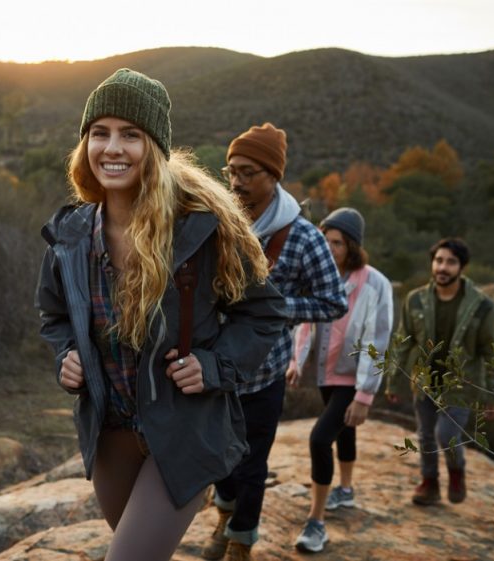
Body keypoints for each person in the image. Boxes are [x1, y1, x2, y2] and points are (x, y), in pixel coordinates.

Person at [34, 68, 288, 561]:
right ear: (84, 144)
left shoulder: (200, 231)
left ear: (155, 147)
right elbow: (54, 316)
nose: (113, 148)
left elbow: (264, 314)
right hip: (110, 431)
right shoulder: (70, 238)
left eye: (131, 134)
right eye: (99, 133)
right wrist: (66, 354)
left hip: (185, 433)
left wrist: (214, 367)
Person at [202, 123, 347, 561]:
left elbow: (333, 302)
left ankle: (241, 541)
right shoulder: (217, 221)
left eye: (247, 173)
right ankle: (224, 518)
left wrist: (275, 307)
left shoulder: (303, 237)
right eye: (231, 172)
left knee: (251, 462)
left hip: (264, 374)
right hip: (211, 369)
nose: (236, 183)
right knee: (213, 458)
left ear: (274, 175)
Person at [284, 207, 393, 553]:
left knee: (319, 439)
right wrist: (296, 361)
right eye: (325, 240)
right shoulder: (315, 275)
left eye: (337, 243)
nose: (329, 248)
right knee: (343, 431)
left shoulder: (374, 282)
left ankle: (316, 523)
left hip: (353, 377)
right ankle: (345, 490)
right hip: (325, 373)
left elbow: (379, 338)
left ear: (352, 247)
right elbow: (304, 322)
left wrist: (364, 395)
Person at [384, 237, 494, 506]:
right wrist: (393, 380)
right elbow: (403, 342)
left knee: (447, 435)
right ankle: (429, 484)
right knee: (425, 435)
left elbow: (493, 352)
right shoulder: (415, 301)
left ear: (462, 267)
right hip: (424, 381)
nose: (443, 267)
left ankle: (456, 472)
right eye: (439, 261)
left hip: (460, 384)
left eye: (451, 262)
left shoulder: (482, 306)